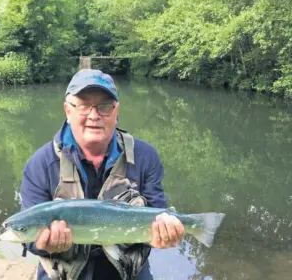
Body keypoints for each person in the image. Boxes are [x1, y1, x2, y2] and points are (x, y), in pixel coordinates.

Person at [19, 69, 185, 280]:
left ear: (116, 112)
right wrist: (44, 244)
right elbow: (27, 238)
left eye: (104, 106)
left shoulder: (145, 156)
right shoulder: (40, 164)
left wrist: (164, 234)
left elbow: (157, 211)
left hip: (129, 272)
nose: (94, 115)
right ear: (68, 111)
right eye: (83, 105)